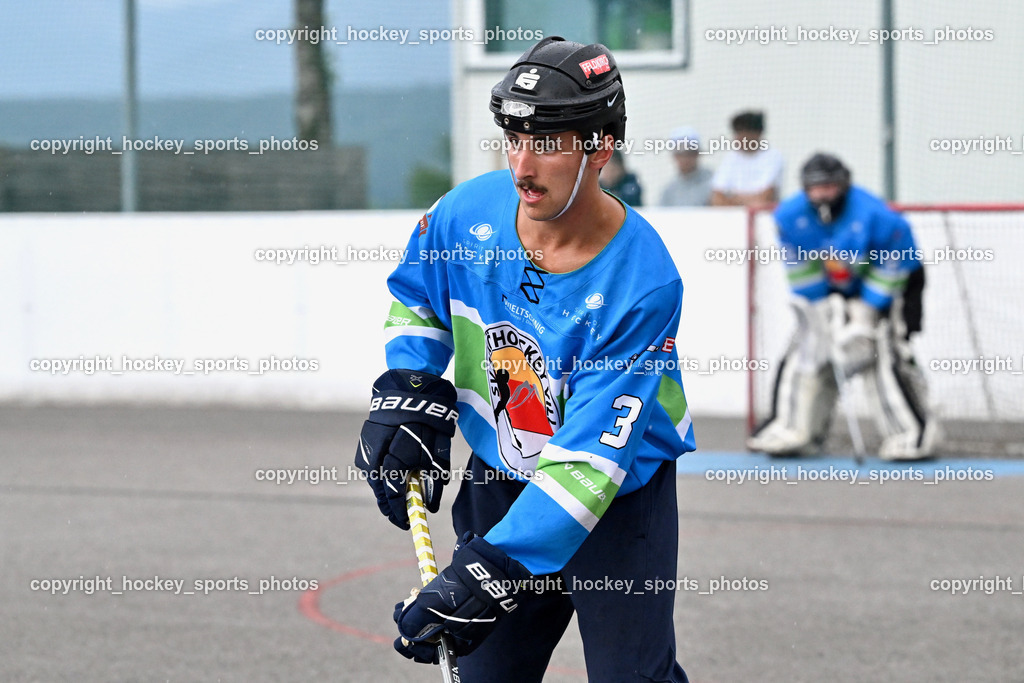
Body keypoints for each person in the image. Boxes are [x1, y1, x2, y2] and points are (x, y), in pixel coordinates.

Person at [354, 35, 694, 683]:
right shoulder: (465, 215)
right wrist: (411, 385)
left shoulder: (642, 283)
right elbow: (416, 299)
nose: (522, 165)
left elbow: (591, 461)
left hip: (616, 496)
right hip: (501, 477)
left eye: (547, 143)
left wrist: (498, 566)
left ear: (600, 148)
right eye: (513, 137)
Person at [747, 153, 938, 460]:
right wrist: (820, 309)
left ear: (844, 185)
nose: (821, 195)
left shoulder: (878, 217)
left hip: (895, 282)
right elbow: (801, 267)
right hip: (838, 285)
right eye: (815, 188)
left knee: (882, 352)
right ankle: (795, 428)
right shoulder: (789, 217)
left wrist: (865, 312)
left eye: (829, 187)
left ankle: (912, 433)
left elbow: (894, 263)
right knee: (809, 346)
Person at [709, 111, 783, 207]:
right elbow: (717, 199)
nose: (737, 138)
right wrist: (749, 198)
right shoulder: (730, 158)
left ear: (757, 134)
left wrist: (732, 198)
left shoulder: (774, 157)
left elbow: (765, 198)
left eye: (742, 133)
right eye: (736, 133)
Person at [659, 126, 713, 206]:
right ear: (674, 156)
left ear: (698, 154)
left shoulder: (715, 184)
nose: (685, 158)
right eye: (680, 153)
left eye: (689, 152)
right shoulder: (669, 191)